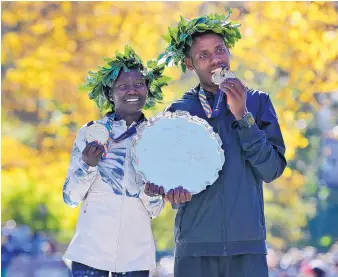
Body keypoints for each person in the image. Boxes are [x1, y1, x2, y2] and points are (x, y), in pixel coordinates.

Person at [159, 10, 287, 277]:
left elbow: (272, 169)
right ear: (190, 64)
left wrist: (243, 117)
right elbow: (168, 175)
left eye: (220, 49)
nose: (215, 59)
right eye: (203, 55)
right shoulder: (179, 111)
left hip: (247, 248)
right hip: (194, 248)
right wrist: (172, 192)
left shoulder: (257, 102)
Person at [62, 46, 168, 277]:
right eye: (123, 86)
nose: (132, 90)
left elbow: (156, 209)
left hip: (136, 258)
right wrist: (88, 166)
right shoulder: (91, 133)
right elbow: (70, 197)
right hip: (90, 253)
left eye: (139, 84)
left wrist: (150, 193)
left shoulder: (157, 138)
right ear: (110, 94)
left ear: (148, 90)